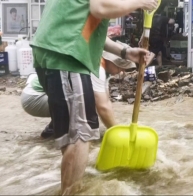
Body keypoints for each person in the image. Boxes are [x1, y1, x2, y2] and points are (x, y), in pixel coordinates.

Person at [29, 0, 159, 194]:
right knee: (81, 136)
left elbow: (88, 26)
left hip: (53, 53)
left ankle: (68, 189)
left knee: (70, 136)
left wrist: (125, 52)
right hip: (67, 57)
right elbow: (99, 8)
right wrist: (139, 3)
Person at [21, 46, 154, 138]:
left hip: (46, 94)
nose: (122, 71)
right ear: (110, 61)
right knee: (87, 104)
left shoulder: (103, 70)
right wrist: (117, 133)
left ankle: (57, 128)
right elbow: (101, 106)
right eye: (120, 67)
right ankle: (52, 131)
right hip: (34, 97)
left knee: (87, 102)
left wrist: (114, 125)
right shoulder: (97, 68)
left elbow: (106, 100)